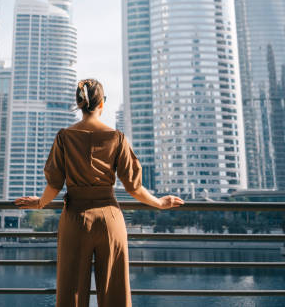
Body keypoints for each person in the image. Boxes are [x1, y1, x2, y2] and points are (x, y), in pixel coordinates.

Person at [15, 78, 184, 307]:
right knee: (116, 294)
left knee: (70, 295)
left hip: (75, 218)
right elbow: (133, 187)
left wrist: (40, 203)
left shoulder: (64, 137)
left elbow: (54, 184)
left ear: (79, 103)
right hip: (111, 220)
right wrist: (160, 203)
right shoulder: (117, 138)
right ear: (102, 104)